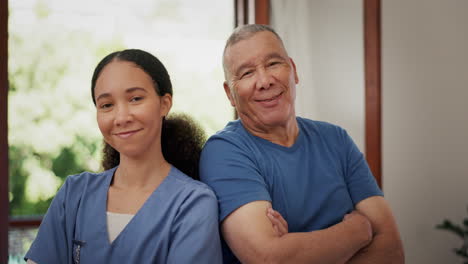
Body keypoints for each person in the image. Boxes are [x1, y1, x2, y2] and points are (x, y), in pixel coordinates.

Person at [200, 24, 404, 263]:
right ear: (229, 94)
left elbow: (392, 251)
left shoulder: (336, 140)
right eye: (247, 73)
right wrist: (357, 232)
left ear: (293, 71)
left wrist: (299, 249)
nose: (265, 81)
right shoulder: (224, 152)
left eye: (273, 63)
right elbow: (269, 258)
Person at [25, 49, 222, 263]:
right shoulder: (75, 194)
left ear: (164, 104)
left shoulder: (193, 203)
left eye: (135, 99)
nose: (121, 117)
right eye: (107, 105)